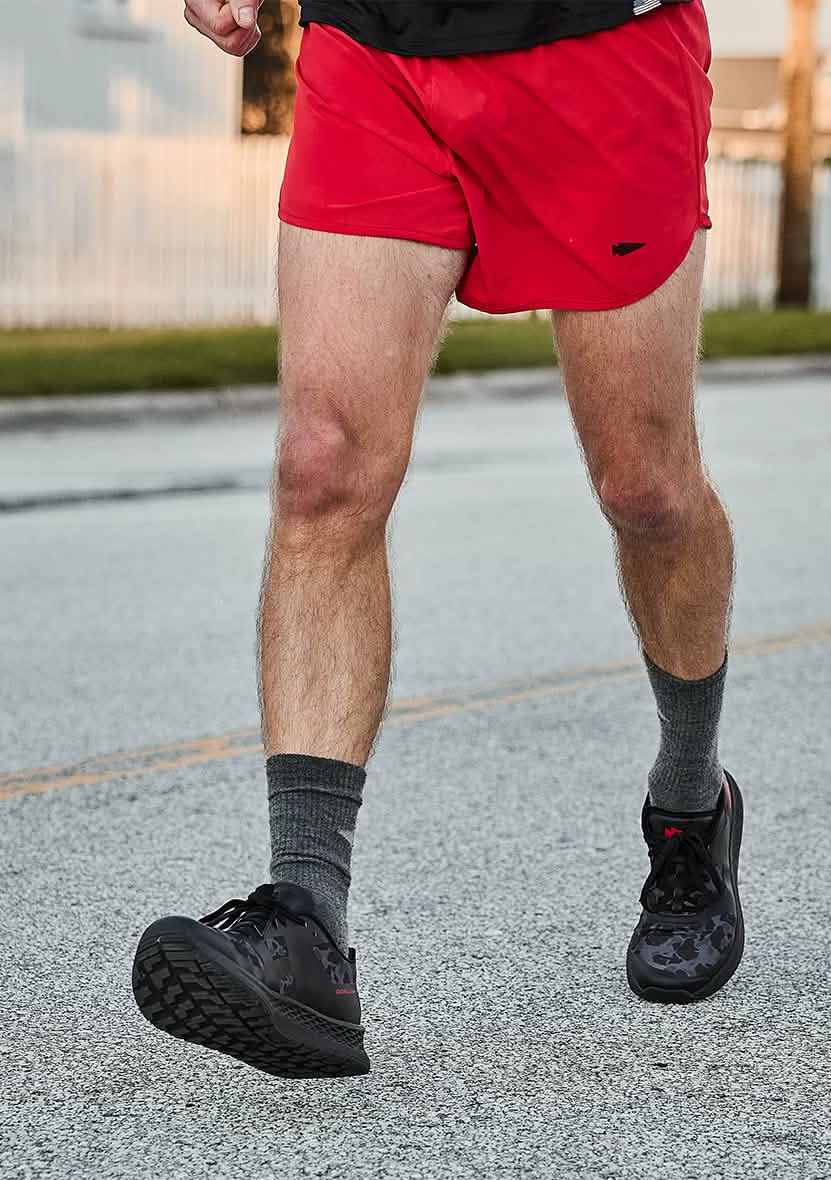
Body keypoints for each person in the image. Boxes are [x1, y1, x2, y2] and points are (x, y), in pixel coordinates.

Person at [132, 0, 743, 1079]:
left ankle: (691, 813)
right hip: (377, 44)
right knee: (323, 470)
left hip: (601, 45)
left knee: (645, 489)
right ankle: (304, 929)